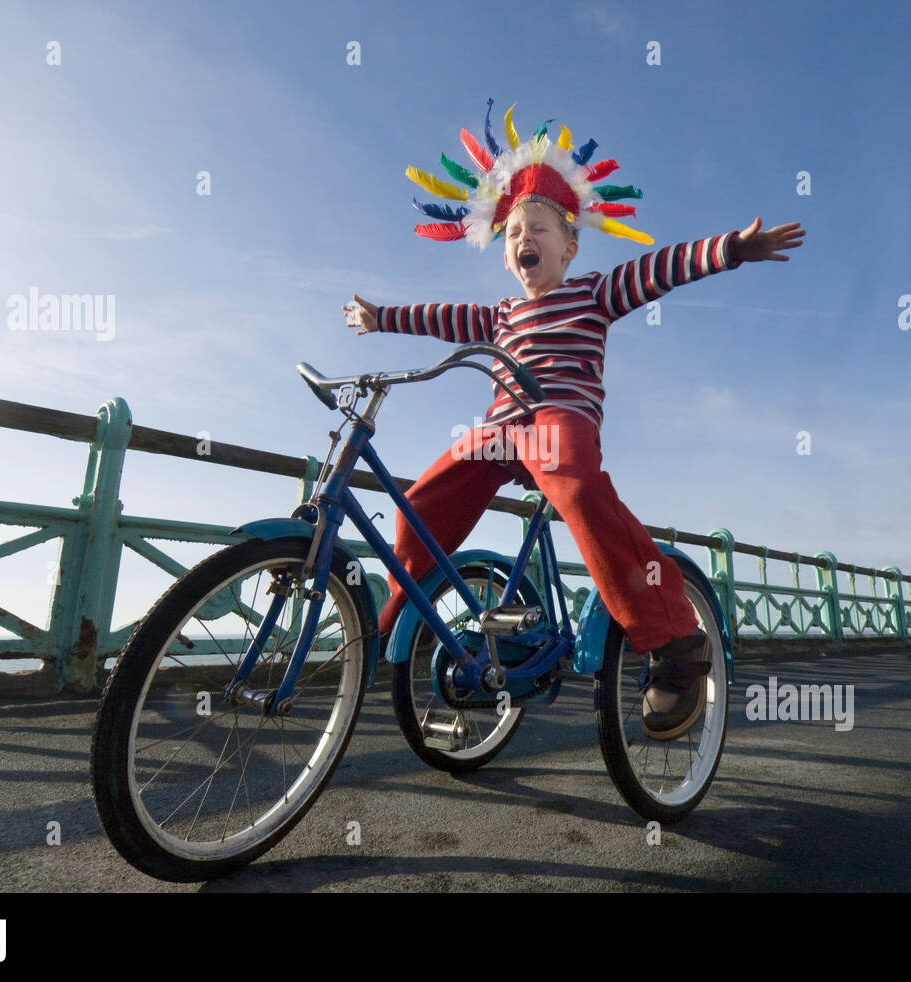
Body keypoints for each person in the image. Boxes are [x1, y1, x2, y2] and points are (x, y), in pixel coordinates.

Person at [343, 99, 803, 740]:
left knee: (580, 492)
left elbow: (656, 268)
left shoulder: (592, 294)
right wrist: (381, 316)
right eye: (512, 234)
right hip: (503, 430)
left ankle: (675, 642)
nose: (523, 239)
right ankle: (404, 605)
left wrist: (730, 249)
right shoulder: (500, 314)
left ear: (570, 246)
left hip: (560, 419)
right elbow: (439, 317)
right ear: (504, 256)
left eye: (538, 229)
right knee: (422, 496)